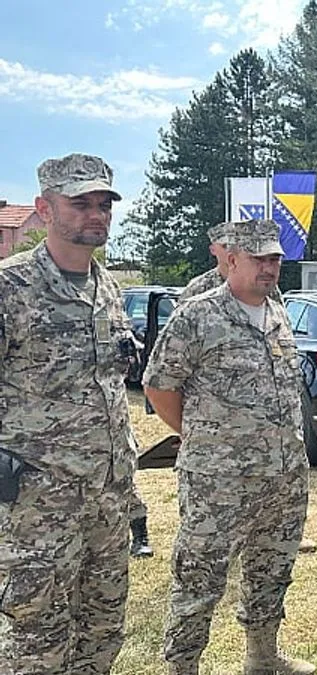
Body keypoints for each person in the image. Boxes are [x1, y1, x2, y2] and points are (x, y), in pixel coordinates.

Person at [143, 219, 315, 675]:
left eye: (275, 258)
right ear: (231, 259)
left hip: (284, 478)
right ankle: (183, 668)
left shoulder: (277, 311)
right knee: (198, 580)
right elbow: (159, 386)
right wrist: (203, 437)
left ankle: (262, 658)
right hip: (218, 483)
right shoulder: (197, 315)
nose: (269, 266)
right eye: (259, 258)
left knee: (271, 571)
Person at [0, 153, 138, 673]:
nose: (95, 214)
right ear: (43, 206)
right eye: (80, 203)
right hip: (39, 505)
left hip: (108, 497)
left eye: (103, 204)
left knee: (103, 630)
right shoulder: (10, 287)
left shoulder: (108, 289)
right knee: (38, 641)